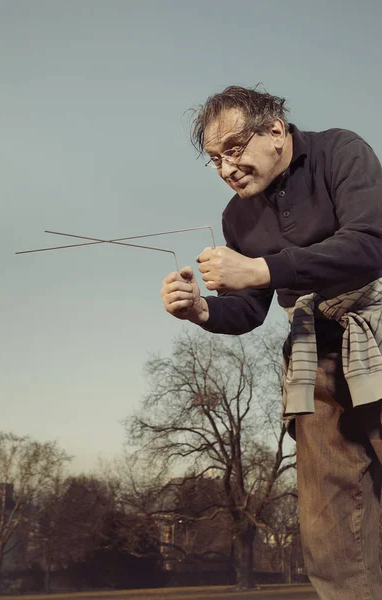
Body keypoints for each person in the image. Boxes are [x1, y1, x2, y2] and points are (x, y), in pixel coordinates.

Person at [160, 85, 382, 600]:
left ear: (276, 131)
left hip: (376, 330)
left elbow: (372, 242)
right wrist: (200, 309)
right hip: (313, 365)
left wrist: (262, 267)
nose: (226, 168)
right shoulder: (236, 218)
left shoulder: (340, 152)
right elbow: (250, 310)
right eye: (215, 158)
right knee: (330, 533)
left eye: (234, 148)